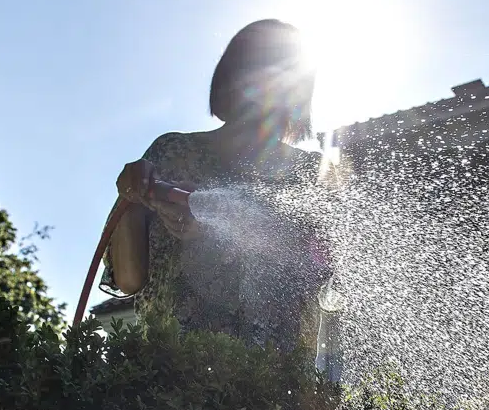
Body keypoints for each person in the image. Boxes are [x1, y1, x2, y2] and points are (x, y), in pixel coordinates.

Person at [101, 19, 334, 358]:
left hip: (273, 384)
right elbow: (129, 279)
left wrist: (211, 234)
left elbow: (317, 269)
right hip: (172, 381)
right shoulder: (171, 152)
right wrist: (131, 198)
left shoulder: (310, 173)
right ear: (231, 76)